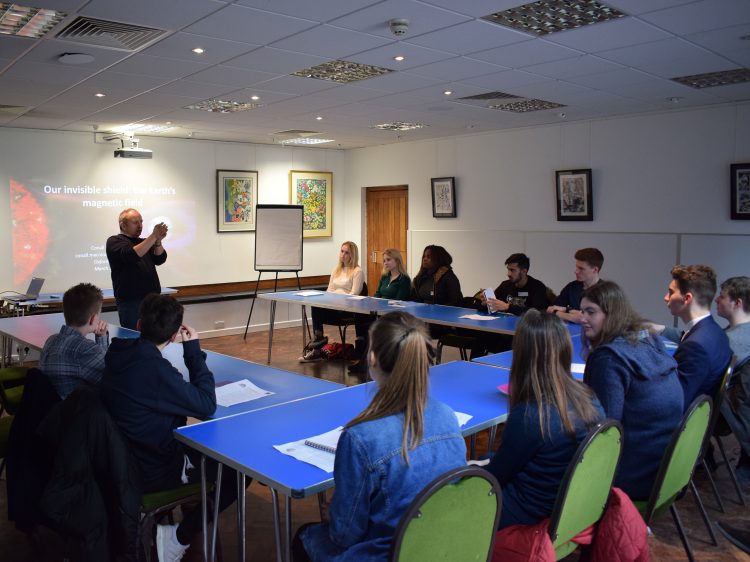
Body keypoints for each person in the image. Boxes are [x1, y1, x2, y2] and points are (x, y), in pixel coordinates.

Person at [295, 311, 467, 560]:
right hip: (439, 545)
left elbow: (344, 535)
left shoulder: (359, 438)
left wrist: (333, 512)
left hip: (389, 552)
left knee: (305, 536)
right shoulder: (448, 417)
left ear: (373, 358)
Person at [100, 294, 245, 562]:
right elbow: (205, 404)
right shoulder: (155, 371)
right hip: (152, 469)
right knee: (240, 471)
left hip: (124, 460)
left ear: (139, 324)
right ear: (176, 335)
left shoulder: (117, 353)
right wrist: (193, 353)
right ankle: (178, 537)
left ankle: (180, 526)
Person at [482, 310, 604, 529]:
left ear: (521, 355)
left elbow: (496, 477)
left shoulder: (531, 416)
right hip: (570, 507)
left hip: (529, 514)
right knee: (486, 457)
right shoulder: (589, 397)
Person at [580, 281, 683, 500]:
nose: (582, 319)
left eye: (591, 312)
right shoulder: (650, 339)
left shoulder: (609, 358)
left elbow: (604, 429)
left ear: (612, 314)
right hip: (665, 470)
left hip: (630, 476)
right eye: (582, 311)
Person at [660, 264, 732, 407]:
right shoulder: (715, 332)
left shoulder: (696, 345)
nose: (666, 298)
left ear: (687, 298)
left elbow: (676, 403)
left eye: (671, 292)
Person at [470, 253, 549, 358]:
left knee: (507, 344)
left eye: (512, 270)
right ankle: (474, 367)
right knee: (481, 337)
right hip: (503, 330)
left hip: (525, 333)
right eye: (508, 269)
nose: (508, 274)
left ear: (524, 271)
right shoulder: (506, 285)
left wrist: (508, 307)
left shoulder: (537, 287)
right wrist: (485, 302)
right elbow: (493, 305)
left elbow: (538, 312)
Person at [39, 282, 109, 399]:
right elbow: (111, 377)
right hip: (77, 413)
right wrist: (102, 341)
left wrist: (101, 337)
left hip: (51, 412)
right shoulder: (86, 350)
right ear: (93, 319)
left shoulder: (50, 340)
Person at [349, 249, 411, 375]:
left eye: (388, 260)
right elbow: (377, 294)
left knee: (372, 329)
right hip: (381, 313)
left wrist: (382, 302)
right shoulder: (384, 277)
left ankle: (367, 363)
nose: (385, 263)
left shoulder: (404, 280)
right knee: (361, 319)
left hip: (395, 316)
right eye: (384, 260)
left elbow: (399, 300)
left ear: (397, 261)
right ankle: (363, 357)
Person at [300, 241, 365, 362]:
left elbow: (354, 294)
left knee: (318, 309)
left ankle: (318, 345)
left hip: (347, 310)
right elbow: (329, 291)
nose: (343, 255)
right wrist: (329, 300)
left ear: (353, 255)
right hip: (333, 307)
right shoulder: (336, 269)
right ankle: (318, 345)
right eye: (342, 251)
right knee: (316, 306)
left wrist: (338, 300)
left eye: (347, 252)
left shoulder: (357, 271)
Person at [106, 208, 168, 330]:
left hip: (153, 299)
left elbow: (160, 259)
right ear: (123, 225)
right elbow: (131, 255)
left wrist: (158, 242)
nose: (140, 225)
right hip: (131, 302)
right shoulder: (114, 241)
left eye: (141, 221)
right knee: (134, 337)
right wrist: (153, 236)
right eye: (135, 222)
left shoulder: (145, 241)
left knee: (155, 335)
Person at [715, 276, 750, 485]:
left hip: (727, 411)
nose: (717, 300)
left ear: (737, 303)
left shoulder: (735, 340)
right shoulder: (735, 334)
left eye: (722, 296)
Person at [547, 247, 604, 324]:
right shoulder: (571, 287)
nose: (576, 271)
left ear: (595, 270)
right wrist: (570, 314)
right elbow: (550, 310)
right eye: (576, 267)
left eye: (581, 268)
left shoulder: (607, 292)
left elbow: (598, 320)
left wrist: (564, 312)